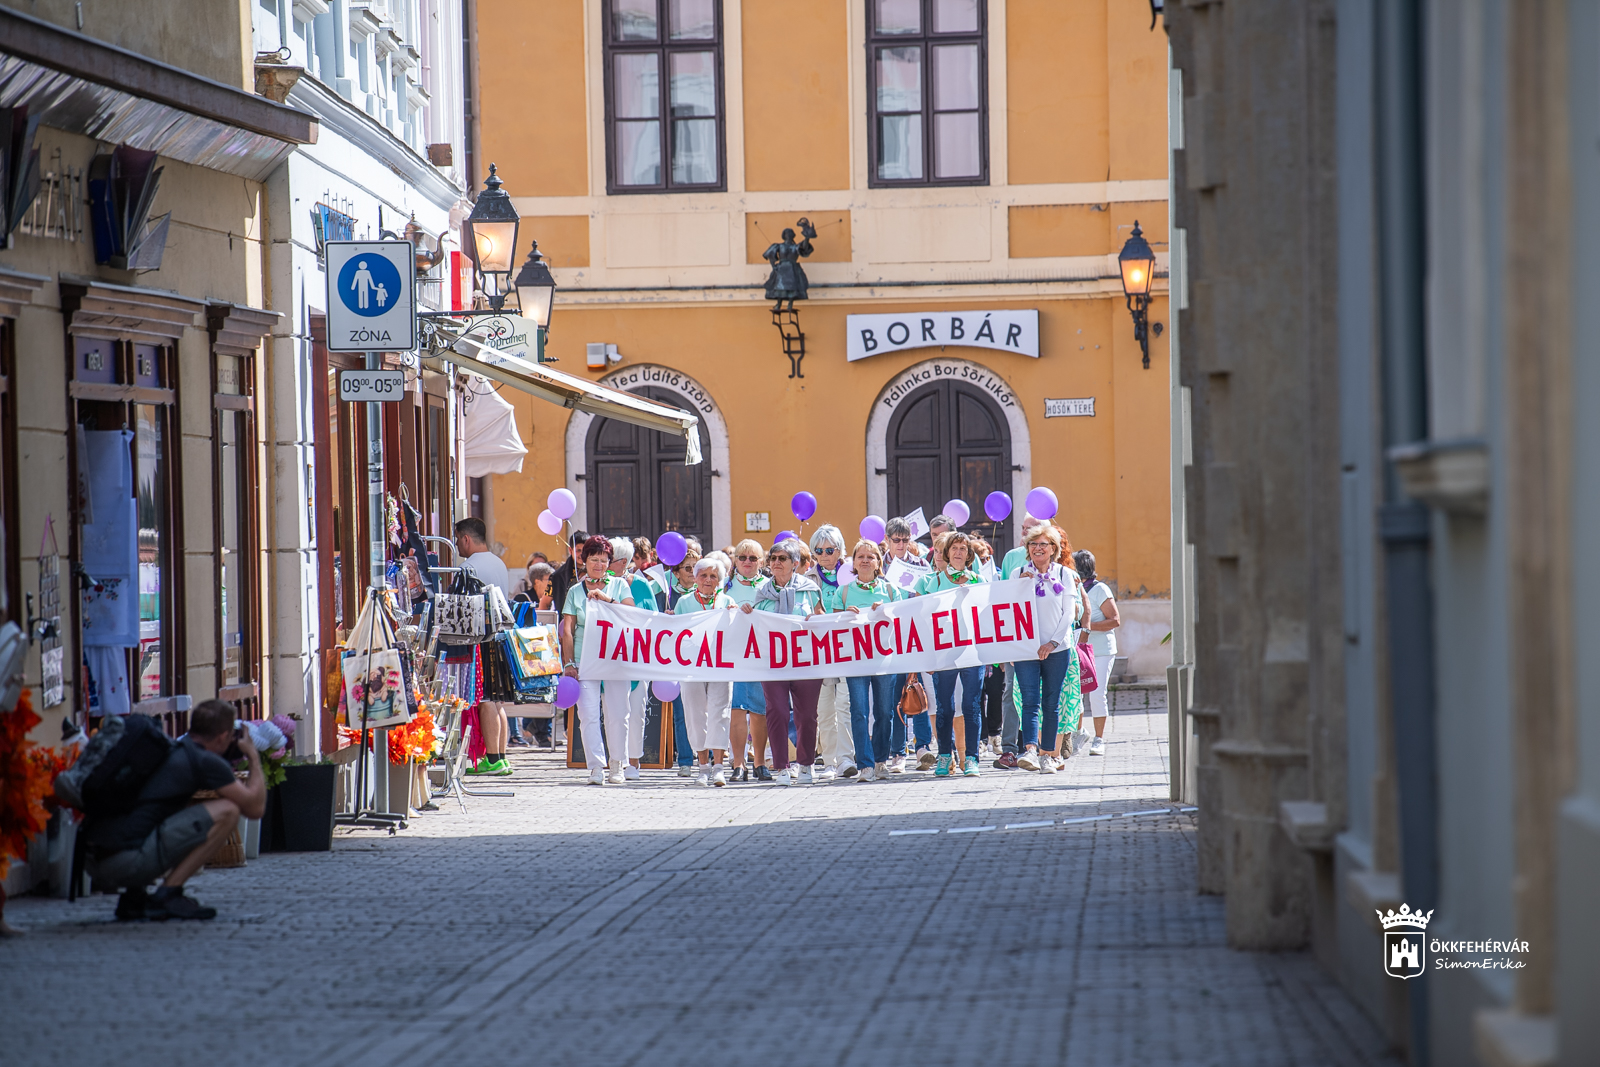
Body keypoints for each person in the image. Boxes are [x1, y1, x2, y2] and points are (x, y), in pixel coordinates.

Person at [84, 699, 267, 921]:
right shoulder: (204, 760)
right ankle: (169, 894)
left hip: (95, 859)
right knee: (228, 811)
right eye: (230, 737)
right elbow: (255, 808)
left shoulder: (169, 749)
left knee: (154, 813)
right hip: (124, 864)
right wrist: (253, 756)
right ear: (222, 737)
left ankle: (135, 898)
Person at [741, 539, 822, 785]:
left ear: (795, 563)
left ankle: (806, 764)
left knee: (806, 714)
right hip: (773, 661)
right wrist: (746, 611)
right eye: (773, 558)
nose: (776, 562)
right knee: (775, 710)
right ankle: (782, 768)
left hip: (805, 660)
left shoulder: (809, 589)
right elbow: (756, 622)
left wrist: (815, 620)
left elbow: (822, 618)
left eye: (782, 558)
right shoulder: (762, 592)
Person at [559, 536, 634, 784]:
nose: (599, 565)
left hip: (615, 658)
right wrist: (569, 663)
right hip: (584, 659)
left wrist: (607, 600)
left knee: (619, 713)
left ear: (609, 562)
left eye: (603, 560)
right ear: (584, 561)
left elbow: (631, 615)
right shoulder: (574, 591)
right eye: (594, 560)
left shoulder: (620, 585)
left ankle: (617, 764)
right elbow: (567, 629)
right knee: (588, 714)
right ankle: (596, 767)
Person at [1012, 524, 1082, 773]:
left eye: (1043, 544)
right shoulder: (1018, 573)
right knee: (1030, 700)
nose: (1038, 548)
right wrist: (1018, 588)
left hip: (1057, 648)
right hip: (1026, 649)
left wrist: (1052, 643)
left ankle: (1049, 755)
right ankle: (1030, 750)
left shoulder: (1065, 575)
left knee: (1051, 702)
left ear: (1053, 548)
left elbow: (1068, 615)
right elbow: (1008, 612)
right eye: (1033, 544)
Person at [916, 531, 986, 777]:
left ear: (969, 555)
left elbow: (989, 616)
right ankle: (945, 755)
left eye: (963, 549)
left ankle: (972, 758)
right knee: (944, 706)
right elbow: (915, 616)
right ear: (946, 553)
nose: (958, 552)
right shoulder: (930, 583)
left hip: (972, 652)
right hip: (943, 653)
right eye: (954, 548)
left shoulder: (979, 580)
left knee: (971, 705)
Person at [455, 517, 513, 774]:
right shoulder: (498, 562)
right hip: (500, 637)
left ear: (466, 538)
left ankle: (492, 758)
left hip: (481, 639)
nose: (457, 544)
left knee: (486, 699)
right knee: (498, 700)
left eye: (458, 539)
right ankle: (500, 756)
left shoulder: (468, 567)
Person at [838, 538, 899, 782]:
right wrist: (843, 615)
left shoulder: (891, 590)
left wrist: (889, 609)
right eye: (860, 556)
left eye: (870, 556)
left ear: (878, 563)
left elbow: (905, 619)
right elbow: (831, 627)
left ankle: (881, 760)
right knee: (859, 711)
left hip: (885, 660)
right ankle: (864, 764)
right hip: (856, 661)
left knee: (884, 711)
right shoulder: (843, 592)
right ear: (853, 562)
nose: (865, 560)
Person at [675, 556, 735, 786]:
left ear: (719, 580)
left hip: (721, 664)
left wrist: (737, 613)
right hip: (691, 667)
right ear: (695, 578)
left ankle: (718, 767)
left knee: (721, 712)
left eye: (713, 576)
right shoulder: (683, 602)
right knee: (694, 712)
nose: (708, 580)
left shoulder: (728, 601)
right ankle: (702, 767)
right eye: (703, 575)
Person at [882, 516, 933, 769]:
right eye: (896, 540)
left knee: (917, 687)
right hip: (887, 636)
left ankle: (923, 746)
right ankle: (898, 752)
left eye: (905, 540)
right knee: (892, 694)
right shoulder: (878, 565)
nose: (901, 545)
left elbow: (929, 595)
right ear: (887, 540)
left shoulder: (921, 564)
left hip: (914, 633)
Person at [808, 524, 856, 779]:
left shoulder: (852, 574)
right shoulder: (807, 579)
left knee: (845, 705)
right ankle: (828, 761)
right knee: (824, 708)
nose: (824, 554)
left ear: (840, 551)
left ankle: (845, 759)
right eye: (819, 550)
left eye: (830, 549)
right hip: (819, 650)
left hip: (847, 648)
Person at [725, 539, 772, 781]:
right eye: (742, 557)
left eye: (753, 558)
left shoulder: (769, 586)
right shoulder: (725, 586)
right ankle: (738, 764)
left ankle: (760, 762)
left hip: (759, 654)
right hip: (732, 654)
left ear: (761, 562)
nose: (747, 562)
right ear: (735, 561)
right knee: (735, 710)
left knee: (758, 710)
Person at [610, 537, 653, 779]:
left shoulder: (640, 584)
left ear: (623, 562)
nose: (603, 564)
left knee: (636, 709)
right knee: (613, 710)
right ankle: (615, 760)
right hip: (608, 655)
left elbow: (649, 616)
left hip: (636, 655)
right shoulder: (599, 583)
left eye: (609, 560)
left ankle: (633, 762)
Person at [1074, 549, 1120, 756]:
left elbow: (1114, 620)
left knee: (1096, 694)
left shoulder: (1100, 589)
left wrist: (1086, 626)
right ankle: (1079, 733)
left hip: (1100, 650)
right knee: (1076, 694)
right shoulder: (1072, 589)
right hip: (1077, 648)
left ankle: (1099, 739)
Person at [550, 529, 587, 617]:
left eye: (585, 550)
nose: (582, 554)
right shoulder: (557, 576)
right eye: (578, 550)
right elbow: (545, 602)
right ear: (570, 550)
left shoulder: (596, 571)